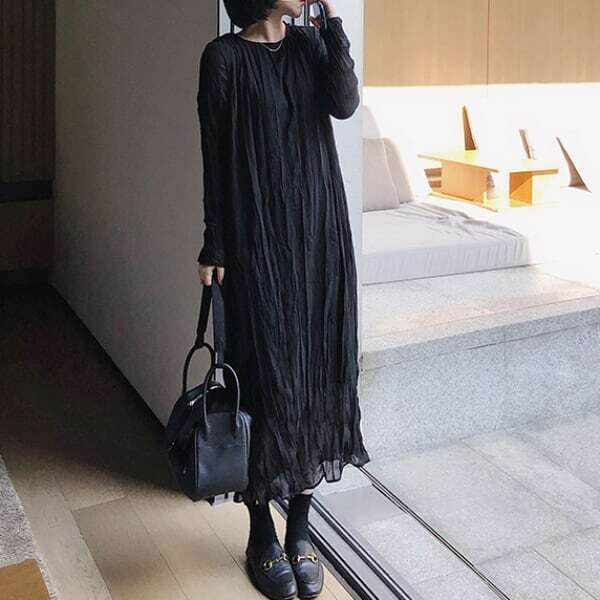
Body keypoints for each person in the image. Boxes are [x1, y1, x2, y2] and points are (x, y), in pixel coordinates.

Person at [195, 1, 371, 597]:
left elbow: (344, 103)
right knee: (265, 381)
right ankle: (260, 534)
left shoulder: (309, 45)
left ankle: (300, 528)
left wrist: (330, 27)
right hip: (258, 243)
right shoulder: (223, 58)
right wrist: (214, 242)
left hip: (320, 237)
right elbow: (215, 156)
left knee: (317, 377)